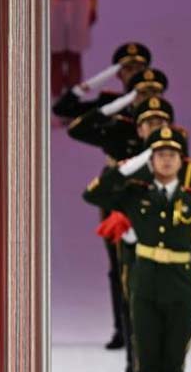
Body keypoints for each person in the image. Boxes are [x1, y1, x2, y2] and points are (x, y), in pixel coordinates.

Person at [83, 126, 191, 372]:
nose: (166, 160)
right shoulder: (135, 194)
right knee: (148, 364)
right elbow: (94, 193)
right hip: (146, 289)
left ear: (182, 162)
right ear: (151, 161)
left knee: (174, 365)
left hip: (180, 290)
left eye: (172, 155)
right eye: (159, 155)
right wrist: (133, 164)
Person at [53, 43, 152, 354]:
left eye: (138, 67)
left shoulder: (155, 109)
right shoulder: (111, 103)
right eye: (126, 68)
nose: (132, 73)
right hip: (116, 189)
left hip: (148, 187)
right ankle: (122, 328)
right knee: (117, 260)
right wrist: (103, 79)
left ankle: (146, 326)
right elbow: (65, 109)